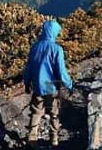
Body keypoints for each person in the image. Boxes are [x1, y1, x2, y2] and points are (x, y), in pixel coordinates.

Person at [23, 19, 73, 147]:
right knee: (54, 113)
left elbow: (28, 67)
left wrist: (27, 82)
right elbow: (61, 72)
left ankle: (32, 138)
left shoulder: (34, 47)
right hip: (50, 85)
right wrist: (69, 85)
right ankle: (54, 139)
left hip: (37, 85)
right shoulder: (56, 49)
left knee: (36, 112)